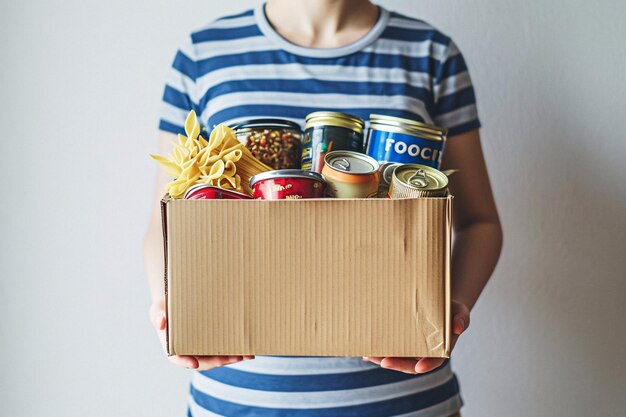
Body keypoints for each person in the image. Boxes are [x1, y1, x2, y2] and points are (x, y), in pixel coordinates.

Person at [145, 0, 503, 415]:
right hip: (240, 399)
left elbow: (479, 222)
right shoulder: (203, 52)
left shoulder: (431, 52)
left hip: (403, 399)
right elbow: (166, 218)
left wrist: (450, 308)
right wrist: (170, 306)